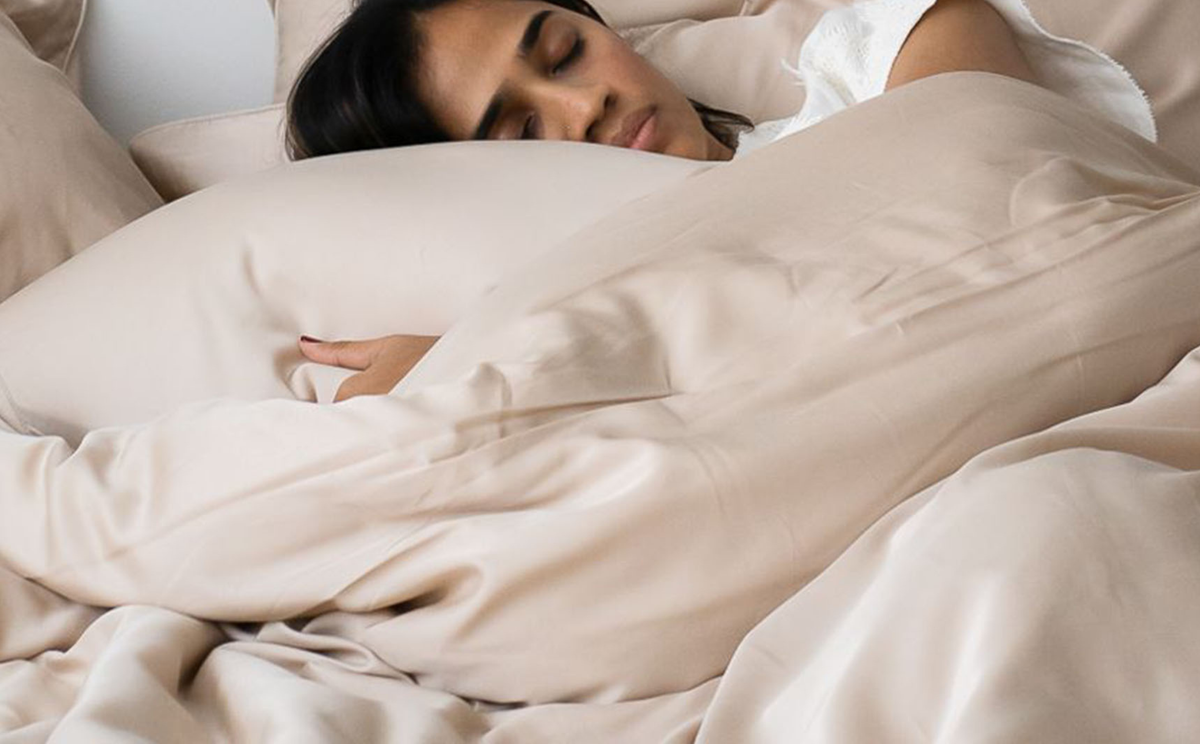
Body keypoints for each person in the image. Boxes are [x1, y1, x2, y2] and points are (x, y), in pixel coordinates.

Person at [288, 0, 1049, 401]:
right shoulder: (540, 329)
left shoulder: (879, 61)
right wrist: (469, 373)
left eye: (566, 52)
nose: (583, 104)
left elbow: (989, 225)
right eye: (520, 131)